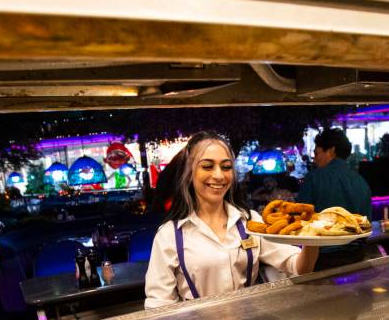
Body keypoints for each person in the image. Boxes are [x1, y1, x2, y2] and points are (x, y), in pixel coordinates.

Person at [145, 132, 319, 308]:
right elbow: (158, 305)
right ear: (190, 173)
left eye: (226, 167)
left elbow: (299, 267)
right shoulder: (169, 235)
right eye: (207, 166)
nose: (219, 176)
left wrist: (314, 236)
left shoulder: (249, 221)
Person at [297, 128, 372, 271]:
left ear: (331, 151)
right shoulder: (361, 180)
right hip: (357, 257)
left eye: (316, 153)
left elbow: (301, 220)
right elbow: (366, 224)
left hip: (322, 260)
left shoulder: (314, 178)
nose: (314, 158)